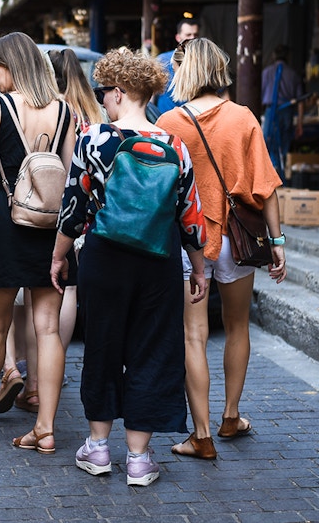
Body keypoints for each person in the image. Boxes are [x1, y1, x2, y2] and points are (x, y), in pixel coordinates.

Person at [51, 46, 208, 486]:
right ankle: (139, 458)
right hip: (159, 261)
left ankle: (98, 448)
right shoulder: (174, 145)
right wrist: (197, 268)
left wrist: (59, 256)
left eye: (103, 92)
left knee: (102, 345)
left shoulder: (94, 139)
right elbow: (189, 213)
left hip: (105, 256)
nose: (101, 99)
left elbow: (73, 206)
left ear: (119, 92)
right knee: (152, 351)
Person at [156, 37, 287, 461]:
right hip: (238, 238)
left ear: (185, 70)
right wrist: (278, 242)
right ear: (218, 70)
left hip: (188, 243)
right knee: (238, 327)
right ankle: (231, 415)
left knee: (193, 335)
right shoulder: (243, 117)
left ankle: (202, 434)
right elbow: (265, 185)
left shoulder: (169, 123)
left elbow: (160, 191)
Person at [0, 32, 76, 456]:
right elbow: (65, 174)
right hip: (51, 228)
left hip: (11, 223)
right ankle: (45, 428)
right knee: (47, 329)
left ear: (14, 65)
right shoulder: (65, 111)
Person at [8, 48, 103, 413]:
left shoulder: (52, 108)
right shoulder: (93, 110)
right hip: (91, 211)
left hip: (51, 208)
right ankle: (54, 364)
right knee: (68, 291)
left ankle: (35, 374)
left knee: (40, 298)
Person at [261, 44, 305, 179]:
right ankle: (279, 172)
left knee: (267, 142)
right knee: (283, 145)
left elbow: (259, 94)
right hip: (286, 112)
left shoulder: (266, 72)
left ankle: (273, 172)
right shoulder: (293, 75)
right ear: (288, 57)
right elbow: (300, 101)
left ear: (274, 56)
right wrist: (300, 124)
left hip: (271, 112)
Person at [151, 18, 200, 118]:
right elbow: (150, 94)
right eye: (188, 35)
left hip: (196, 122)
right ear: (178, 37)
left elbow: (222, 94)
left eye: (196, 35)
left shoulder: (205, 63)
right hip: (165, 122)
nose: (192, 38)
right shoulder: (162, 60)